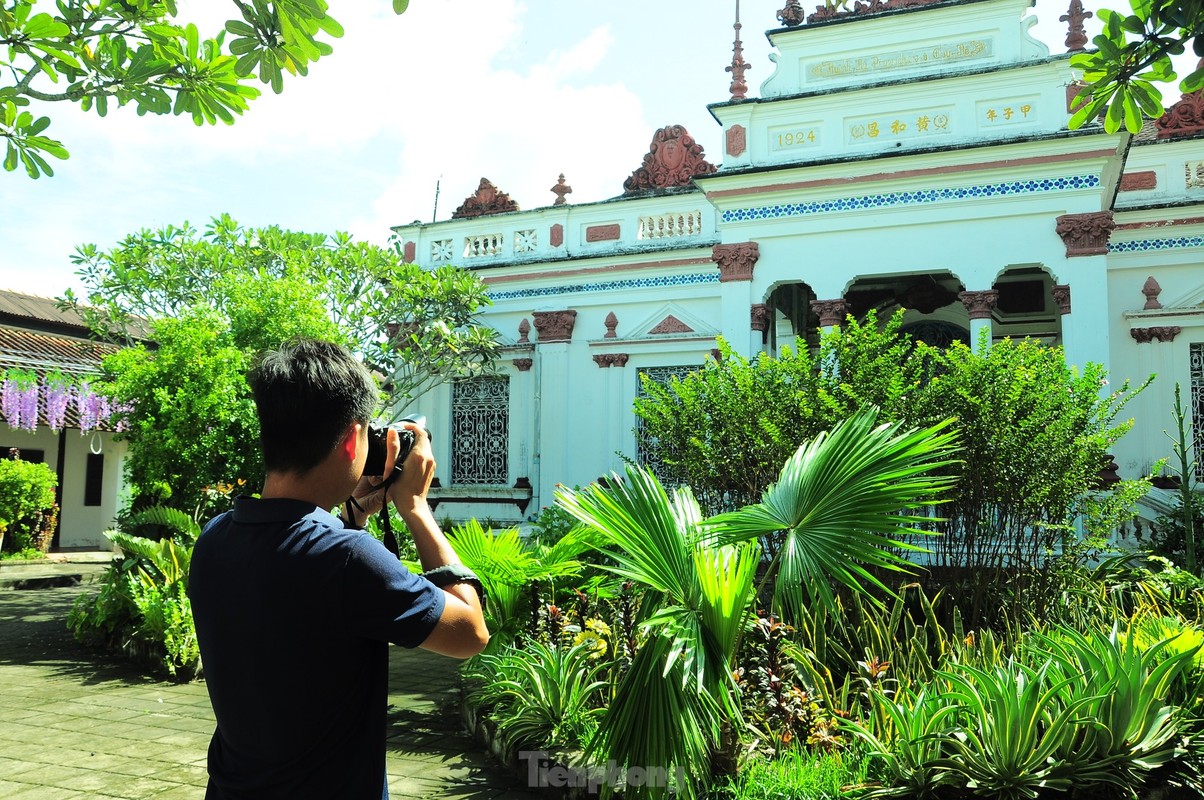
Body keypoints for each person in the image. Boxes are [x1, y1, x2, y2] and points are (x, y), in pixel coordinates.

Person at [189, 338, 489, 800]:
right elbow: (469, 633)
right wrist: (415, 507)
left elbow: (297, 580)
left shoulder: (214, 539)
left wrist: (355, 515)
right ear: (353, 438)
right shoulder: (347, 558)